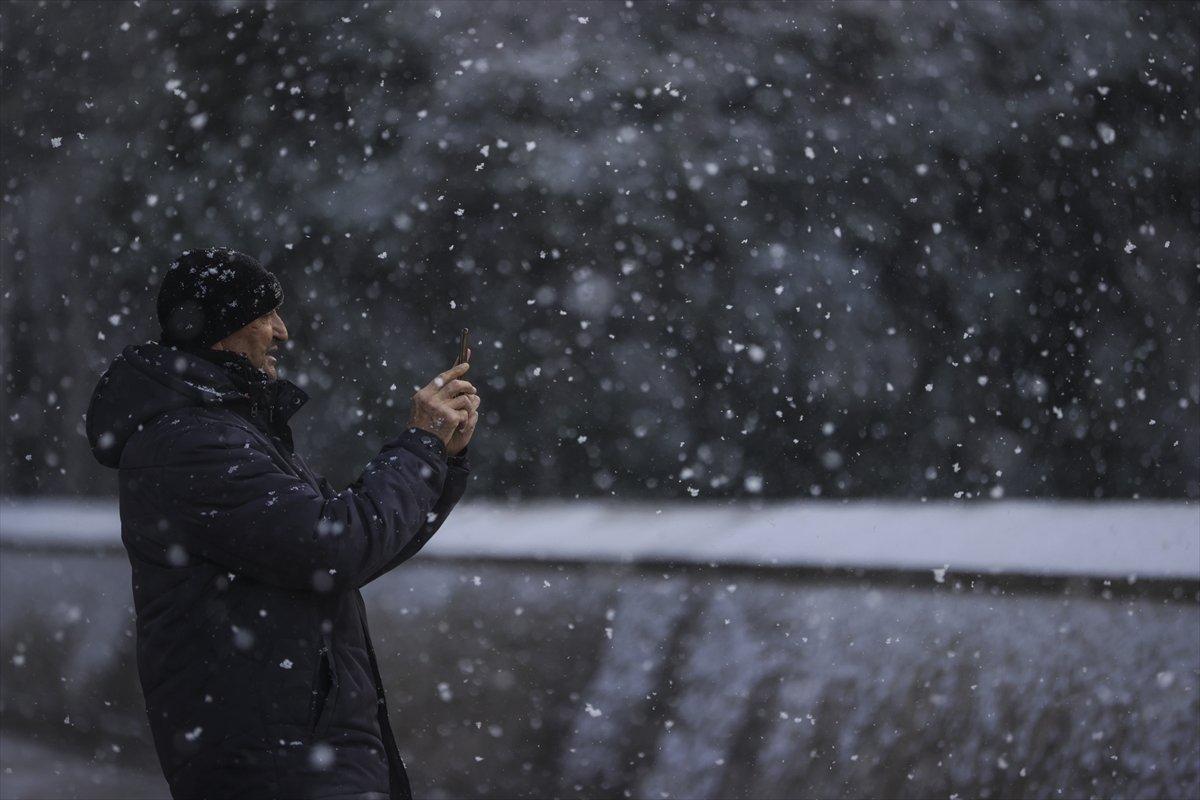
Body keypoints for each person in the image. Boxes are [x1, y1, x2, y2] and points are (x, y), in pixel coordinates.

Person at [85, 247, 480, 800]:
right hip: (274, 756)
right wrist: (419, 443)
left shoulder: (226, 429)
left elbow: (354, 549)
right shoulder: (191, 442)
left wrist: (442, 460)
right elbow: (334, 548)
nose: (282, 332)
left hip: (296, 745)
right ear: (222, 329)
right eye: (265, 316)